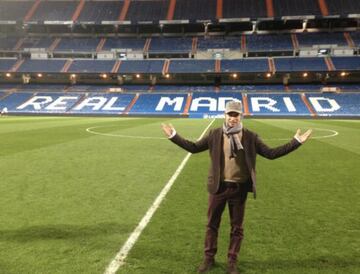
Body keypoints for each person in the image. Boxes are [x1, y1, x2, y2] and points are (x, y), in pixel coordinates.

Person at [161, 101, 312, 274]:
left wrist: (296, 142)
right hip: (218, 187)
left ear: (241, 116)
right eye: (230, 114)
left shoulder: (250, 137)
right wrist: (173, 135)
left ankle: (232, 261)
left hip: (239, 189)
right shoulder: (215, 134)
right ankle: (208, 259)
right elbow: (194, 148)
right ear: (225, 115)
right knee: (212, 224)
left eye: (236, 115)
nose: (233, 118)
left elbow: (271, 154)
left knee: (237, 228)